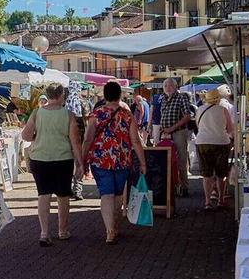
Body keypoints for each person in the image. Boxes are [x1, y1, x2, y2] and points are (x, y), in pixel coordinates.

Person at [82, 82, 147, 244]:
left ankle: (109, 230)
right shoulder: (127, 114)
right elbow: (135, 141)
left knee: (106, 194)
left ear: (105, 95)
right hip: (122, 158)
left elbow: (88, 138)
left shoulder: (96, 113)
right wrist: (143, 162)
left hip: (100, 158)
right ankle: (114, 225)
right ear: (119, 95)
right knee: (117, 195)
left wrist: (82, 160)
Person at [21, 82, 83, 246]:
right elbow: (75, 141)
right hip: (62, 158)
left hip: (40, 158)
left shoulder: (37, 112)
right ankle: (62, 230)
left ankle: (44, 232)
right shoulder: (68, 115)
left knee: (44, 195)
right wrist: (81, 163)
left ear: (47, 96)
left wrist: (38, 137)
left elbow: (26, 135)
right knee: (63, 195)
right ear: (61, 95)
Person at [195, 89, 234, 211]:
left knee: (206, 174)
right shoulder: (223, 110)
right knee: (221, 174)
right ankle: (221, 200)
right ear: (217, 99)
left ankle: (207, 202)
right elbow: (230, 128)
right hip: (221, 142)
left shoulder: (199, 110)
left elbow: (198, 126)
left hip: (202, 142)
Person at [159, 78, 194, 197]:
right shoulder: (163, 99)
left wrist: (172, 128)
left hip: (178, 132)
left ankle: (184, 187)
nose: (167, 87)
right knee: (167, 160)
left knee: (181, 160)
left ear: (176, 87)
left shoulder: (181, 97)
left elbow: (187, 116)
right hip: (166, 134)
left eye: (170, 85)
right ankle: (171, 186)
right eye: (165, 86)